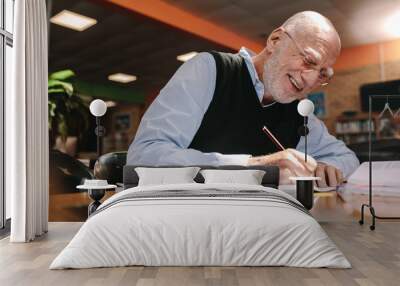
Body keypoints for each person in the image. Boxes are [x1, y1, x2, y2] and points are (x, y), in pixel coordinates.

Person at [127, 11, 360, 187]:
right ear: (275, 40)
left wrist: (328, 168)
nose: (310, 80)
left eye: (322, 74)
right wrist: (254, 166)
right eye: (308, 60)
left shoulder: (299, 114)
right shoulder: (210, 70)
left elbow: (346, 157)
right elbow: (143, 155)